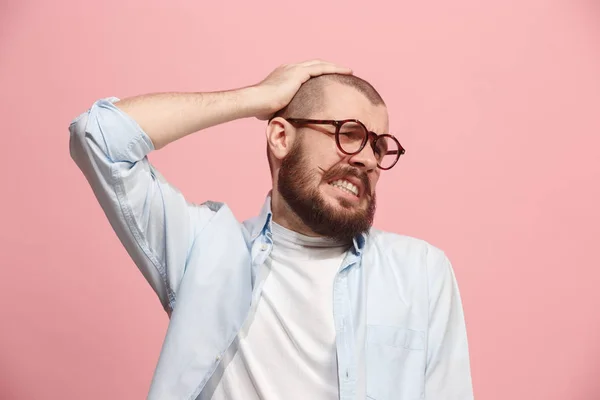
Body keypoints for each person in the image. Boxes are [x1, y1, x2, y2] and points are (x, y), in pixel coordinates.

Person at [69, 60, 474, 400]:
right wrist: (255, 98)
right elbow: (100, 136)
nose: (368, 159)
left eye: (379, 147)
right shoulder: (203, 251)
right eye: (349, 135)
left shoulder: (420, 270)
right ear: (280, 137)